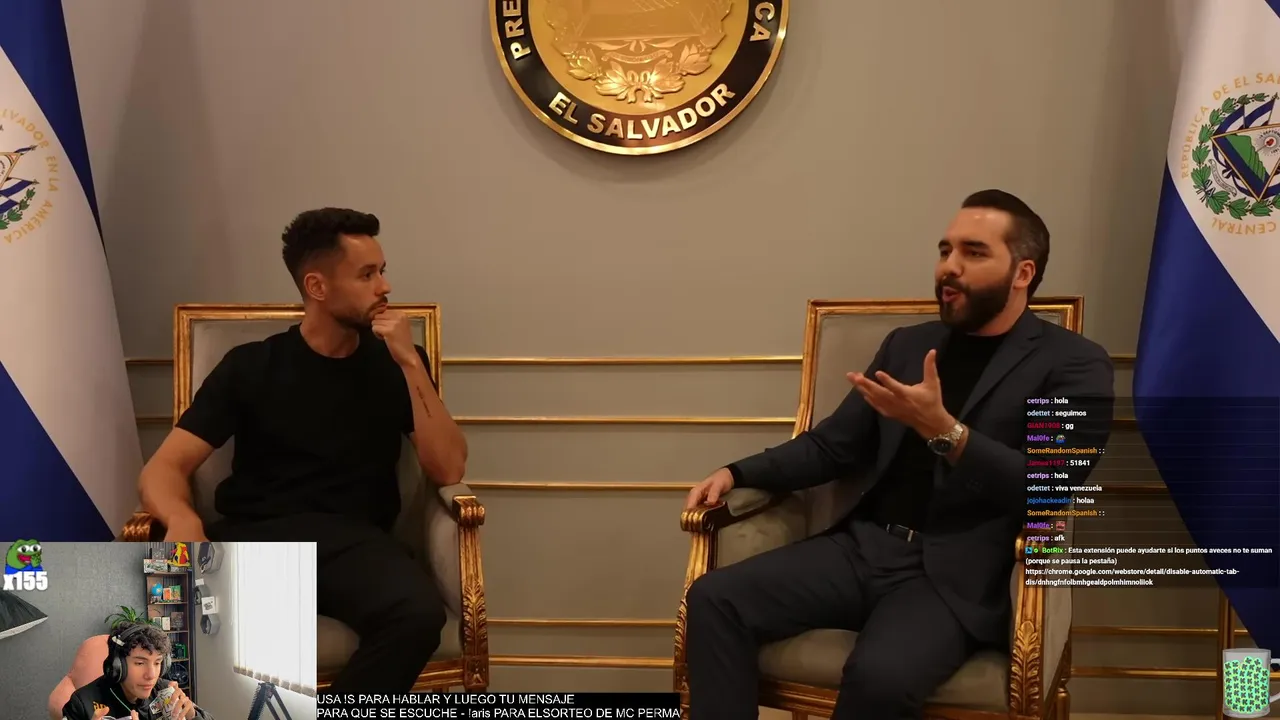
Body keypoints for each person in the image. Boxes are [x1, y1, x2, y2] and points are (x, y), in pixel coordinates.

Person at [681, 190, 1115, 719]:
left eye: (974, 252)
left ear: (1022, 272)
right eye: (945, 250)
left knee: (880, 676)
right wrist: (736, 471)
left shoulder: (1073, 364)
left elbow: (1045, 484)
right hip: (864, 547)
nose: (949, 267)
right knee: (715, 598)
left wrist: (945, 431)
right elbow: (834, 445)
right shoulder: (908, 345)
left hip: (956, 575)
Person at [137, 207, 468, 692]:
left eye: (382, 271)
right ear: (317, 286)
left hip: (354, 544)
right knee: (142, 610)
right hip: (256, 540)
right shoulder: (252, 366)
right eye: (367, 275)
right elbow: (163, 468)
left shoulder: (398, 364)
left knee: (417, 614)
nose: (385, 287)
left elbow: (448, 468)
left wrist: (410, 364)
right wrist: (184, 520)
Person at [61, 622, 211, 720]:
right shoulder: (82, 703)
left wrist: (193, 716)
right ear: (118, 666)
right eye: (140, 663)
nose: (151, 675)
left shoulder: (165, 691)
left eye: (157, 663)